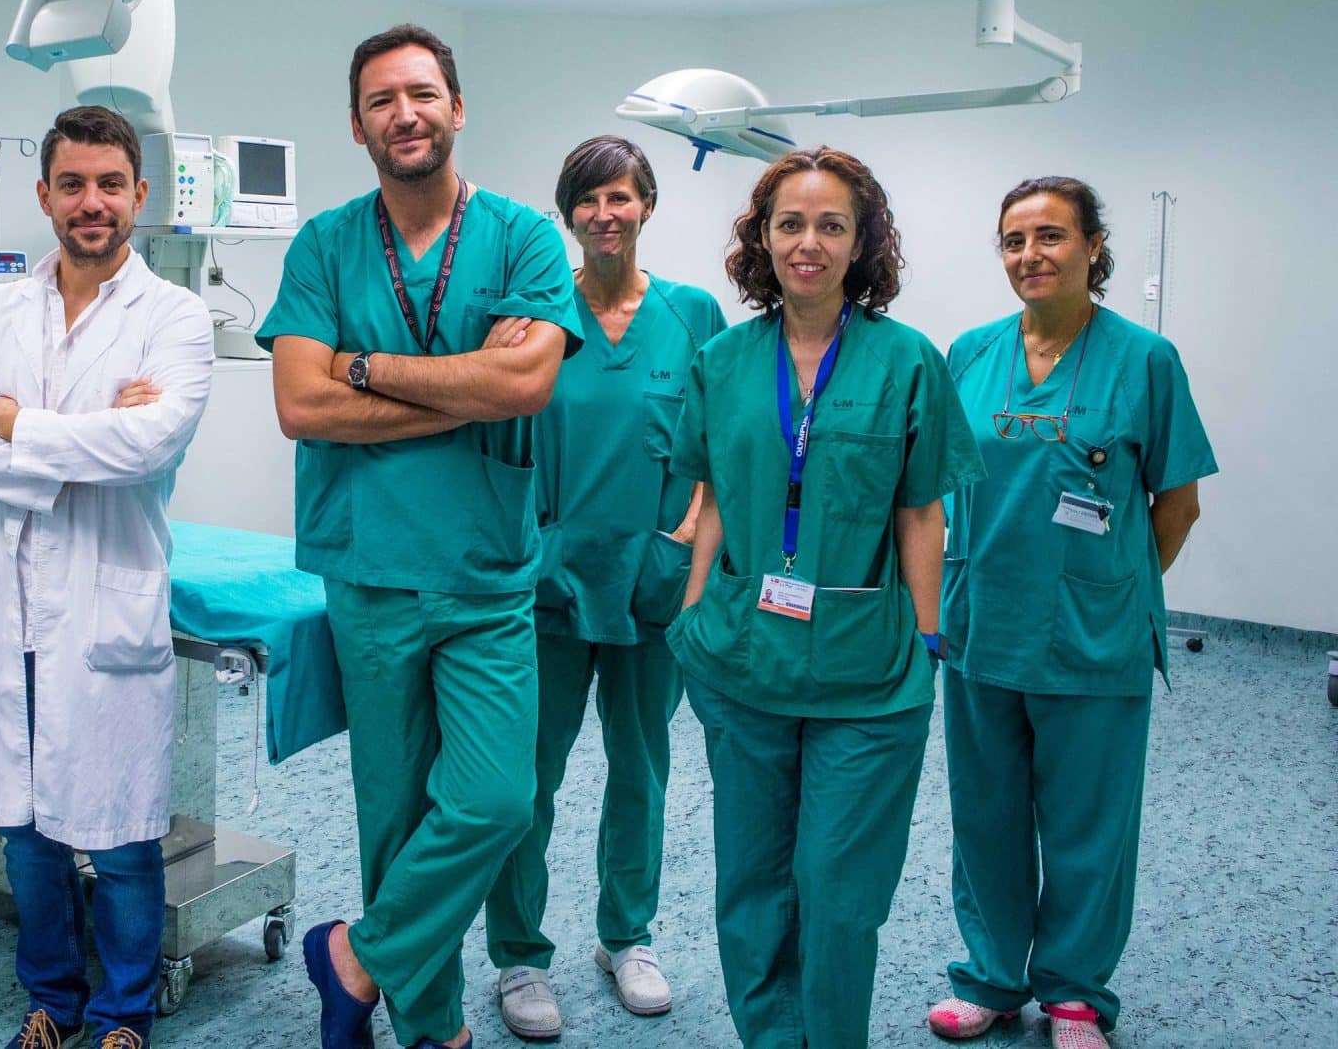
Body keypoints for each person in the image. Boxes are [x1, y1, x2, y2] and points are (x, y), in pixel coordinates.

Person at [257, 24, 582, 1049]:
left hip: (484, 574)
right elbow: (298, 407)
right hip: (371, 572)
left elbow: (525, 380)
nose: (405, 113)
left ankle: (352, 956)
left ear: (456, 106)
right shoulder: (323, 244)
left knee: (494, 799)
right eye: (382, 99)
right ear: (357, 126)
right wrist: (462, 393)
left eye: (422, 93)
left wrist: (364, 365)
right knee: (393, 819)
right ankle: (430, 1029)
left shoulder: (524, 237)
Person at [668, 146, 983, 1049]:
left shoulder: (907, 361)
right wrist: (695, 616)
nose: (809, 242)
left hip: (868, 672)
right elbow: (717, 498)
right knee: (753, 884)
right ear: (763, 238)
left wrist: (925, 641)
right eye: (790, 223)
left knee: (840, 891)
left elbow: (923, 513)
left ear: (861, 242)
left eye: (831, 224)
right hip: (742, 659)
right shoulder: (725, 360)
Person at [0, 105, 215, 1049]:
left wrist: (17, 423)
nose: (90, 203)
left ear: (138, 194)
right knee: (26, 829)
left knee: (124, 835)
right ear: (45, 194)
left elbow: (150, 444)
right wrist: (86, 431)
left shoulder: (174, 317)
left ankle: (123, 1010)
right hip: (7, 601)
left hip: (109, 594)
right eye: (72, 184)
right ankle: (51, 998)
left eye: (109, 184)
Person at [926, 177, 1213, 1049]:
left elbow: (1177, 506)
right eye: (1014, 240)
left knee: (1088, 826)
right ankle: (992, 978)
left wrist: (1108, 591)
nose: (1030, 255)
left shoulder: (1145, 359)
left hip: (1095, 638)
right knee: (986, 816)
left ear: (1093, 246)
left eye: (1051, 236)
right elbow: (935, 490)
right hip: (981, 624)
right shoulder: (969, 354)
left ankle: (1076, 995)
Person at [481, 136, 725, 1040]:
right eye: (588, 201)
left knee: (642, 766)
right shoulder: (540, 316)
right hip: (548, 582)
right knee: (527, 777)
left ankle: (627, 935)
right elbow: (499, 428)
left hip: (652, 579)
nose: (605, 215)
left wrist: (693, 526)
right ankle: (519, 955)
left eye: (621, 197)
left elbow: (722, 436)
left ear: (647, 205)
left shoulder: (694, 313)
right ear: (568, 215)